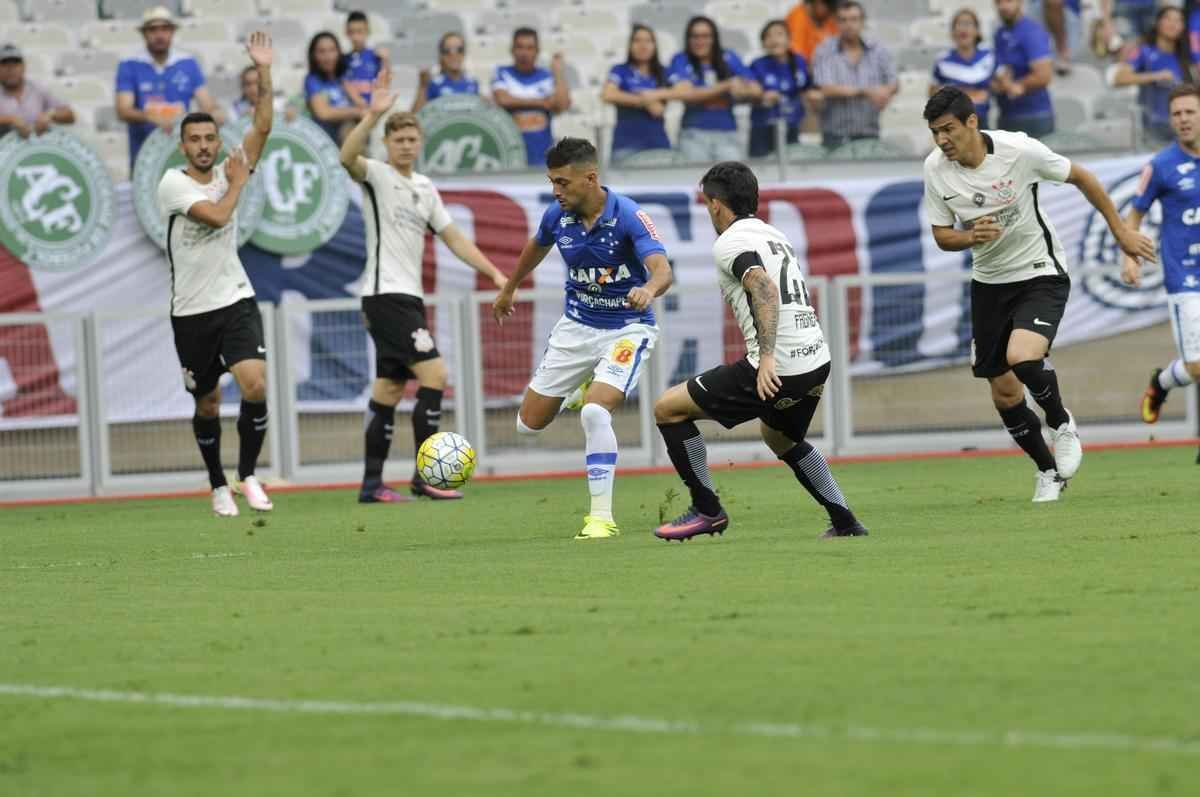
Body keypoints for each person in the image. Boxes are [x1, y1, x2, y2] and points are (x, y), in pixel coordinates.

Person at [922, 87, 1156, 501]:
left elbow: (1082, 177)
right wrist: (969, 236)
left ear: (972, 122)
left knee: (1023, 356)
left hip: (1039, 271)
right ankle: (1049, 472)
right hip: (989, 282)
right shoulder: (935, 170)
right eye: (935, 132)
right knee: (1004, 392)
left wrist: (1121, 232)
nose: (942, 140)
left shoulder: (1019, 151)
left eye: (948, 129)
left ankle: (1061, 421)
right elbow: (942, 236)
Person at [652, 161, 867, 541]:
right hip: (816, 360)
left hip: (777, 364)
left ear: (716, 204)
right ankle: (845, 521)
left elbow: (764, 288)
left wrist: (766, 358)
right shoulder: (774, 235)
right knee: (781, 438)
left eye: (707, 205)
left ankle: (707, 510)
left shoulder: (730, 241)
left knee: (668, 409)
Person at [340, 71, 508, 504]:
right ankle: (424, 476)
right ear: (387, 144)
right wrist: (372, 113)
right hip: (385, 294)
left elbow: (454, 239)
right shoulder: (375, 175)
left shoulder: (425, 188)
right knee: (435, 373)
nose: (406, 146)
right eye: (398, 140)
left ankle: (371, 484)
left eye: (412, 140)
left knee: (390, 389)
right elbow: (346, 157)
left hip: (404, 295)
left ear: (420, 143)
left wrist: (492, 272)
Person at [492, 138, 673, 540]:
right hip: (576, 328)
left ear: (590, 178)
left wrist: (649, 289)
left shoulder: (629, 215)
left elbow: (662, 269)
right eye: (551, 182)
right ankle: (581, 386)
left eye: (563, 182)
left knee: (595, 413)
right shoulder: (558, 216)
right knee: (528, 425)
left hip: (627, 329)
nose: (556, 191)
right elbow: (536, 246)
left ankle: (600, 519)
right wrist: (510, 288)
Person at [156, 33, 276, 518]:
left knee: (255, 384)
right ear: (184, 146)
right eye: (196, 140)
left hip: (235, 298)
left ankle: (247, 474)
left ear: (217, 142)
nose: (204, 147)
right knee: (206, 404)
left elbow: (263, 127)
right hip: (191, 311)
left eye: (210, 139)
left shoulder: (232, 167)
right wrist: (239, 183)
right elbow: (220, 217)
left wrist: (263, 71)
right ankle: (216, 482)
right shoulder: (172, 184)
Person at [1123, 85, 1200, 427]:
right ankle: (1161, 383)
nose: (1183, 120)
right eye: (1177, 114)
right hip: (1184, 277)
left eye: (1190, 112)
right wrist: (1129, 256)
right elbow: (1134, 216)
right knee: (1197, 367)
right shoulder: (1161, 165)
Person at [115, 5, 221, 166]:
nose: (159, 35)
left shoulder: (188, 63)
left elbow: (208, 105)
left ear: (172, 32)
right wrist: (153, 118)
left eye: (165, 29)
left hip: (182, 154)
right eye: (153, 30)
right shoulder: (129, 64)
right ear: (144, 34)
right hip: (144, 156)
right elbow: (123, 110)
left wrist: (193, 121)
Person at [667, 16, 761, 163]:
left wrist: (739, 90)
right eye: (695, 36)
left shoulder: (729, 57)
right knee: (695, 183)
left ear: (714, 38)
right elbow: (685, 93)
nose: (700, 41)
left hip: (728, 134)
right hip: (693, 134)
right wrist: (727, 86)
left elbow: (756, 90)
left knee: (733, 183)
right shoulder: (681, 59)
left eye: (705, 36)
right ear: (688, 38)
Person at [812, 1, 897, 150]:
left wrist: (885, 93)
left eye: (853, 19)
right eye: (843, 20)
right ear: (836, 23)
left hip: (869, 131)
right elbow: (826, 88)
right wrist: (867, 92)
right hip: (835, 135)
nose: (848, 25)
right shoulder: (824, 50)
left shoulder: (878, 50)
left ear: (862, 22)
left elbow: (893, 81)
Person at [1113, 6, 1196, 146]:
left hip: (1183, 127)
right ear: (1158, 23)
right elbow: (1119, 78)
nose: (1173, 24)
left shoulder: (1186, 57)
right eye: (1168, 18)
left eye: (1178, 20)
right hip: (1153, 129)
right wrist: (1155, 76)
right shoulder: (1144, 51)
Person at [491, 28, 571, 167]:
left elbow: (561, 106)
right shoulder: (502, 72)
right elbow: (503, 99)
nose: (524, 53)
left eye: (529, 48)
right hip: (510, 154)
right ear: (512, 50)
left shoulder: (547, 76)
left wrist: (558, 73)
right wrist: (541, 102)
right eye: (520, 47)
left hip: (542, 154)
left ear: (537, 51)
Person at [601, 24, 673, 162]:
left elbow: (658, 110)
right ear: (630, 45)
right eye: (637, 40)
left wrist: (627, 97)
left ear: (654, 45)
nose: (643, 45)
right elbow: (608, 94)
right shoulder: (619, 69)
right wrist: (646, 100)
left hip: (658, 145)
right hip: (625, 146)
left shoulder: (664, 72)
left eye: (648, 41)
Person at [749, 19, 820, 158]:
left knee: (793, 165)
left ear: (789, 39)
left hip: (793, 125)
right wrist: (761, 96)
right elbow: (748, 93)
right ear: (763, 43)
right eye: (768, 36)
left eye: (779, 34)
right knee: (762, 168)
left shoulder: (800, 61)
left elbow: (809, 87)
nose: (774, 39)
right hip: (763, 127)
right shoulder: (757, 65)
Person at [991, 0, 1055, 139]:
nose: (1003, 6)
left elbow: (1044, 75)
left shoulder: (1031, 31)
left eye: (1008, 1)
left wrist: (1018, 85)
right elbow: (1000, 69)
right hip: (1007, 114)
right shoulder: (999, 33)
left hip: (1034, 115)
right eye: (998, 2)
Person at [930, 9, 996, 126]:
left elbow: (1000, 85)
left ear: (977, 30)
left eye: (968, 24)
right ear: (952, 32)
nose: (963, 29)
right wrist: (970, 95)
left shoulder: (988, 56)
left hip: (982, 122)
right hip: (953, 124)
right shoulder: (943, 60)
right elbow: (933, 91)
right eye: (959, 24)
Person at [0, 43, 74, 138]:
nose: (10, 69)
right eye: (5, 64)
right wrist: (10, 120)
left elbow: (70, 115)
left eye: (15, 63)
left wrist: (50, 115)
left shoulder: (38, 90)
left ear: (23, 67)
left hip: (37, 148)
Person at [304, 31, 362, 143]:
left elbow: (363, 106)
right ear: (313, 55)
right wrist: (357, 112)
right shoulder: (313, 80)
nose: (328, 56)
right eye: (322, 51)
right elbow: (324, 113)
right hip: (327, 146)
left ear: (339, 52)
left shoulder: (345, 78)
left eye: (332, 50)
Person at [411, 32, 479, 114]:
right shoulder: (433, 84)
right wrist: (423, 86)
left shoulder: (472, 83)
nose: (454, 54)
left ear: (464, 53)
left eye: (459, 50)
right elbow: (415, 116)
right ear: (441, 55)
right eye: (447, 51)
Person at [343, 10, 388, 108]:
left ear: (367, 31)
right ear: (346, 32)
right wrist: (359, 102)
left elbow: (385, 81)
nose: (355, 37)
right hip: (355, 110)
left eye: (359, 31)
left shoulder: (377, 56)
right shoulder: (343, 60)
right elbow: (345, 84)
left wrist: (385, 61)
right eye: (352, 32)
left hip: (375, 106)